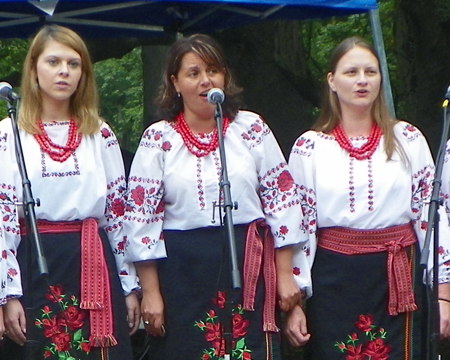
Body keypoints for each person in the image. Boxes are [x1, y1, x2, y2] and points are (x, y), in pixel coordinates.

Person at [124, 33, 311, 359]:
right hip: (182, 271)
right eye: (193, 73)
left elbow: (283, 203)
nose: (205, 80)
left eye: (213, 70)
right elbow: (141, 222)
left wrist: (285, 276)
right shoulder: (158, 139)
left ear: (225, 77)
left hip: (248, 262)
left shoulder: (251, 129)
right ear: (175, 82)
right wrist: (150, 293)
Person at [287, 36, 450, 359]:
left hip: (397, 278)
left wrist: (443, 294)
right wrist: (295, 303)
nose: (362, 80)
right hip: (333, 280)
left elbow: (432, 218)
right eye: (351, 72)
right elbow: (298, 227)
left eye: (370, 72)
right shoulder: (310, 147)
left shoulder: (407, 139)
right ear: (332, 81)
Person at [0, 24, 140, 359]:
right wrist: (7, 295)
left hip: (93, 260)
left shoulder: (99, 133)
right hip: (33, 261)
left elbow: (118, 214)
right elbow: (2, 217)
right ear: (33, 69)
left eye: (74, 64)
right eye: (53, 62)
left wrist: (130, 284)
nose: (64, 71)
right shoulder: (9, 133)